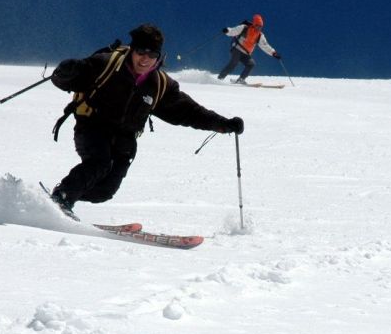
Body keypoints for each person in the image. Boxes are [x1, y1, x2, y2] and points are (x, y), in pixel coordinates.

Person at [48, 23, 244, 220]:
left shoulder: (159, 84)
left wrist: (223, 124)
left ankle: (60, 196)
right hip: (93, 128)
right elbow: (69, 79)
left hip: (125, 139)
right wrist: (64, 72)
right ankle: (62, 198)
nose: (146, 59)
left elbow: (189, 112)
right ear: (132, 50)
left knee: (104, 192)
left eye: (152, 55)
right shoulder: (105, 64)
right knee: (99, 163)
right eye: (141, 52)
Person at [216, 13, 281, 84]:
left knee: (251, 64)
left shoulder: (260, 35)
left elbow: (265, 46)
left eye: (260, 27)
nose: (258, 28)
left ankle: (241, 79)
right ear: (254, 24)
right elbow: (233, 31)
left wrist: (273, 53)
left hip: (246, 53)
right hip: (237, 49)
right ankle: (220, 78)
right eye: (257, 26)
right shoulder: (244, 28)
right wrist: (227, 30)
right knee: (234, 63)